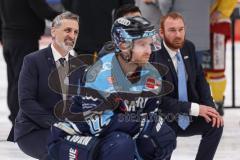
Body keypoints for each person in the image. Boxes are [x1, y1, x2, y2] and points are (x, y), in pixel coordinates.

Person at [48, 16, 176, 160]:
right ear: (123, 46)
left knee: (163, 138)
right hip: (73, 137)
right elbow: (99, 125)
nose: (149, 50)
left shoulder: (152, 76)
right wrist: (141, 123)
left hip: (113, 137)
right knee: (120, 144)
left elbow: (149, 122)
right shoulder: (99, 74)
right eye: (142, 44)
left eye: (150, 44)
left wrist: (148, 127)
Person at [150, 12, 224, 160]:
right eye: (172, 30)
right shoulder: (153, 57)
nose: (178, 35)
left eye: (181, 29)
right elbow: (160, 101)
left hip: (189, 115)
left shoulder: (188, 47)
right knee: (165, 136)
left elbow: (201, 82)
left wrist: (211, 109)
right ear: (162, 33)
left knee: (216, 124)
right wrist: (195, 108)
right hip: (165, 116)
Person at [14, 11, 86, 160]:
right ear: (53, 30)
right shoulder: (33, 61)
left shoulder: (80, 66)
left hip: (69, 131)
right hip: (35, 130)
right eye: (67, 30)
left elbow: (83, 103)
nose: (72, 36)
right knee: (61, 153)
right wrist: (57, 125)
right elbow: (26, 102)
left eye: (75, 32)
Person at [0, 0, 60, 141]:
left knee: (14, 81)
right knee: (21, 82)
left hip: (9, 38)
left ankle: (16, 120)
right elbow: (42, 9)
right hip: (24, 38)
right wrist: (63, 17)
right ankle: (19, 122)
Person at [61, 0, 135, 64]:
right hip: (107, 31)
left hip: (85, 29)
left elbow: (66, 3)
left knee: (84, 70)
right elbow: (128, 6)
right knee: (108, 70)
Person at [204, 0, 238, 115]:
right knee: (198, 68)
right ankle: (203, 101)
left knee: (216, 69)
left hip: (217, 24)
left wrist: (221, 11)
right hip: (196, 25)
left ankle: (218, 101)